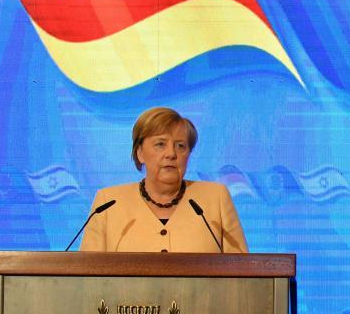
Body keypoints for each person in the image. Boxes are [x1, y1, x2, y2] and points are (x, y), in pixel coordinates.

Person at [80, 107, 248, 253]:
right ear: (140, 153)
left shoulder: (215, 198)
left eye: (180, 146)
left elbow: (242, 270)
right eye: (160, 144)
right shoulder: (108, 203)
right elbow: (86, 276)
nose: (171, 154)